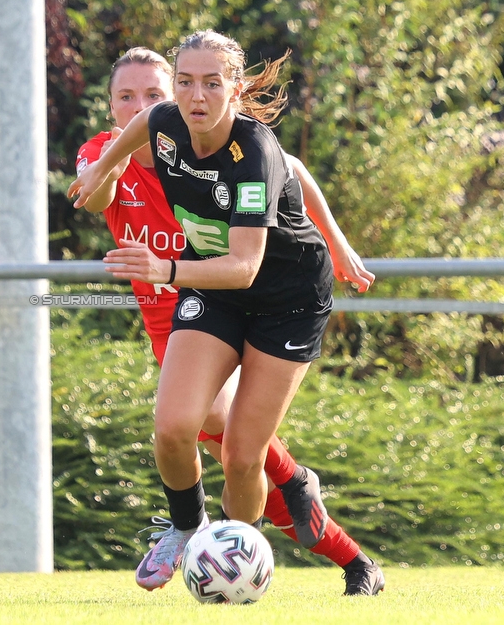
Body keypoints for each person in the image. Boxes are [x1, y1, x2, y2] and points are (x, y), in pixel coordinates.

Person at [68, 32, 384, 595]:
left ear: (235, 90)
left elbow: (245, 262)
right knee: (174, 429)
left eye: (210, 83)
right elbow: (135, 141)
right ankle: (193, 527)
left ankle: (248, 564)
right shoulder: (155, 127)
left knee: (241, 455)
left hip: (281, 299)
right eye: (184, 83)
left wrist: (336, 242)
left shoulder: (252, 152)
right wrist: (104, 169)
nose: (192, 96)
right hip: (204, 295)